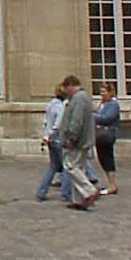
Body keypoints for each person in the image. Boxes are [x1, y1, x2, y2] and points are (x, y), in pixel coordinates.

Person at [58, 73, 98, 210]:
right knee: (80, 168)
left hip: (78, 141)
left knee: (70, 166)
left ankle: (89, 190)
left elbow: (76, 120)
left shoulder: (79, 98)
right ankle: (79, 200)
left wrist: (71, 137)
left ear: (70, 85)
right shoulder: (81, 97)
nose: (65, 92)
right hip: (83, 139)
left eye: (66, 88)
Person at [36, 83, 65, 200]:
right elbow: (58, 124)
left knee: (53, 166)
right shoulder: (61, 106)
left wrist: (45, 136)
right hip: (57, 139)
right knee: (66, 167)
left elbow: (45, 122)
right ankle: (67, 193)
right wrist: (51, 135)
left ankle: (41, 191)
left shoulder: (51, 104)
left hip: (50, 139)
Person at [94, 81, 120, 195]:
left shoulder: (113, 104)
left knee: (108, 158)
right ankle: (110, 183)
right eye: (101, 92)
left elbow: (107, 118)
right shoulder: (102, 104)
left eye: (104, 91)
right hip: (100, 135)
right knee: (102, 159)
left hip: (107, 135)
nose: (102, 94)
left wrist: (92, 116)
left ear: (110, 92)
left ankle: (112, 185)